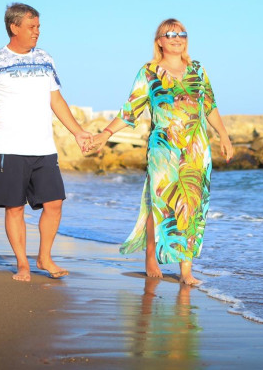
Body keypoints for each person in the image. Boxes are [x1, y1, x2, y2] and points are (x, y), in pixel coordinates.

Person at [89, 18, 233, 285]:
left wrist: (223, 135)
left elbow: (210, 106)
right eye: (170, 34)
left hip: (196, 149)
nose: (177, 38)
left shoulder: (198, 70)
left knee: (192, 204)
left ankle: (186, 270)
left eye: (181, 34)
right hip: (163, 149)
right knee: (161, 202)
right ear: (159, 41)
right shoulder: (149, 72)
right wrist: (105, 134)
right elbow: (130, 110)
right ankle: (151, 255)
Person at [0, 3, 91, 282]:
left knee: (54, 203)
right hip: (9, 148)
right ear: (14, 27)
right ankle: (22, 264)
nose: (37, 32)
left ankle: (44, 257)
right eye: (31, 27)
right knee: (14, 208)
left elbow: (56, 99)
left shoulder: (45, 58)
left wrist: (77, 132)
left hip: (44, 148)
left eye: (38, 26)